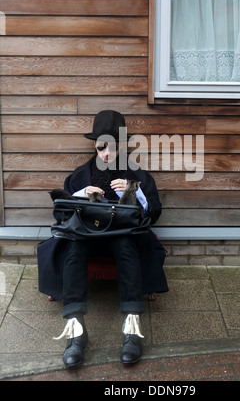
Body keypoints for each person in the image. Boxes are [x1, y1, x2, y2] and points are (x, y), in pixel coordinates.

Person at [37, 110, 168, 369]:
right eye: (101, 147)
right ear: (94, 146)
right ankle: (76, 332)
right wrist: (80, 194)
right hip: (87, 236)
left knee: (125, 247)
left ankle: (132, 327)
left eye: (113, 147)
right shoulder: (79, 175)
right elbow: (60, 212)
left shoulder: (137, 175)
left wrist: (135, 191)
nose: (107, 154)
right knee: (74, 248)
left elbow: (154, 211)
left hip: (123, 235)